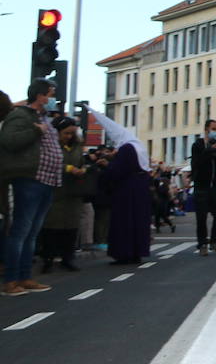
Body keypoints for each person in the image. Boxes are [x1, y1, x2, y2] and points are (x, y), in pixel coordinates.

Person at [1, 79, 62, 296]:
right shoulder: (20, 116)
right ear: (40, 95)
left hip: (46, 180)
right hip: (29, 178)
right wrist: (36, 131)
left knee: (32, 232)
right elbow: (9, 141)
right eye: (51, 93)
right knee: (21, 231)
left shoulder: (43, 118)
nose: (53, 98)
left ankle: (25, 277)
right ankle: (11, 280)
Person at [92, 110, 152, 266]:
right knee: (137, 221)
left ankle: (124, 253)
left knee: (124, 222)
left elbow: (118, 171)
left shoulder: (126, 149)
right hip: (139, 189)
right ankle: (136, 252)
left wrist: (107, 167)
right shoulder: (138, 146)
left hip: (127, 191)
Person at [38, 117, 85, 273]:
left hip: (73, 191)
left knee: (71, 226)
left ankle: (67, 258)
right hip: (54, 188)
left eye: (72, 133)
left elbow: (81, 162)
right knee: (51, 226)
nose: (69, 136)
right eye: (66, 133)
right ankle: (48, 258)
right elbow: (46, 161)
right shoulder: (50, 145)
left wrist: (83, 170)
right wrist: (68, 168)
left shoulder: (78, 146)